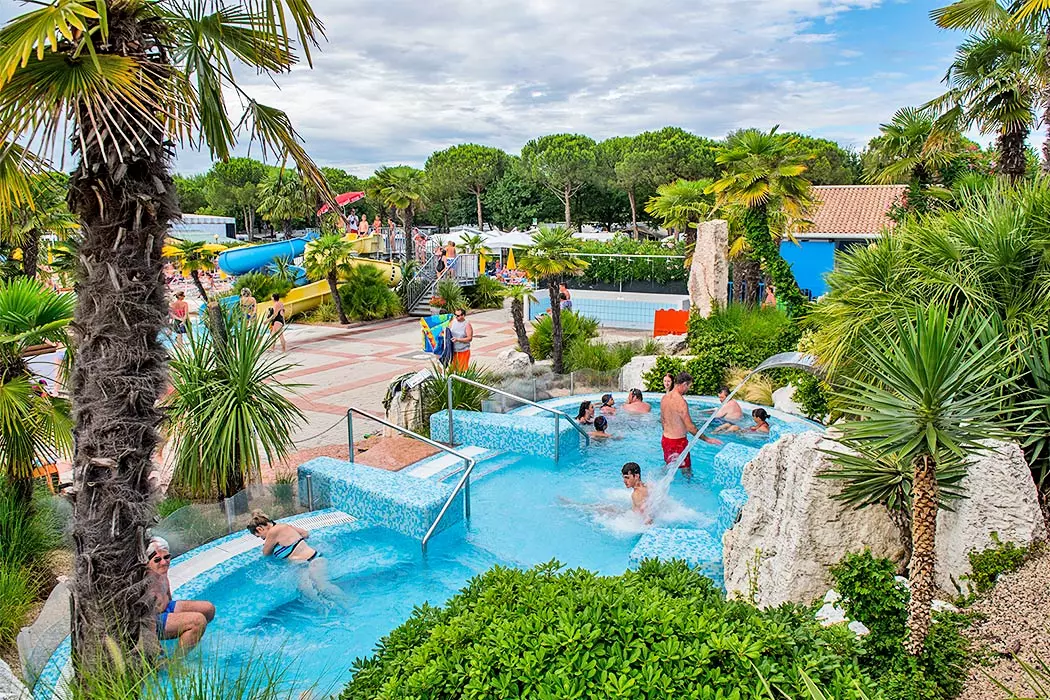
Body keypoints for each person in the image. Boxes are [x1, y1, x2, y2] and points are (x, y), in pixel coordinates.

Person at [247, 512, 343, 605]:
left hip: (313, 561)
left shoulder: (273, 532)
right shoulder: (285, 526)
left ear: (260, 529)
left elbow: (265, 553)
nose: (263, 539)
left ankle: (348, 603)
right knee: (306, 590)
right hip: (303, 565)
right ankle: (327, 607)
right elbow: (305, 534)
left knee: (322, 586)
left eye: (260, 536)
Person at [146, 537, 215, 651]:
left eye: (166, 557)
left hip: (167, 607)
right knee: (198, 621)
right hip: (152, 621)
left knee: (208, 608)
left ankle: (191, 638)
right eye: (157, 560)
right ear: (147, 562)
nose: (164, 562)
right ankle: (177, 659)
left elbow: (167, 592)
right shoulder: (142, 580)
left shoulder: (160, 570)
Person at [660, 371, 722, 474]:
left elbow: (663, 420)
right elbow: (690, 427)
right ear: (684, 384)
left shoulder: (664, 398)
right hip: (678, 442)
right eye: (689, 386)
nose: (688, 389)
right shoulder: (681, 402)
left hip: (665, 440)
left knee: (669, 466)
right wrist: (707, 439)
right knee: (687, 471)